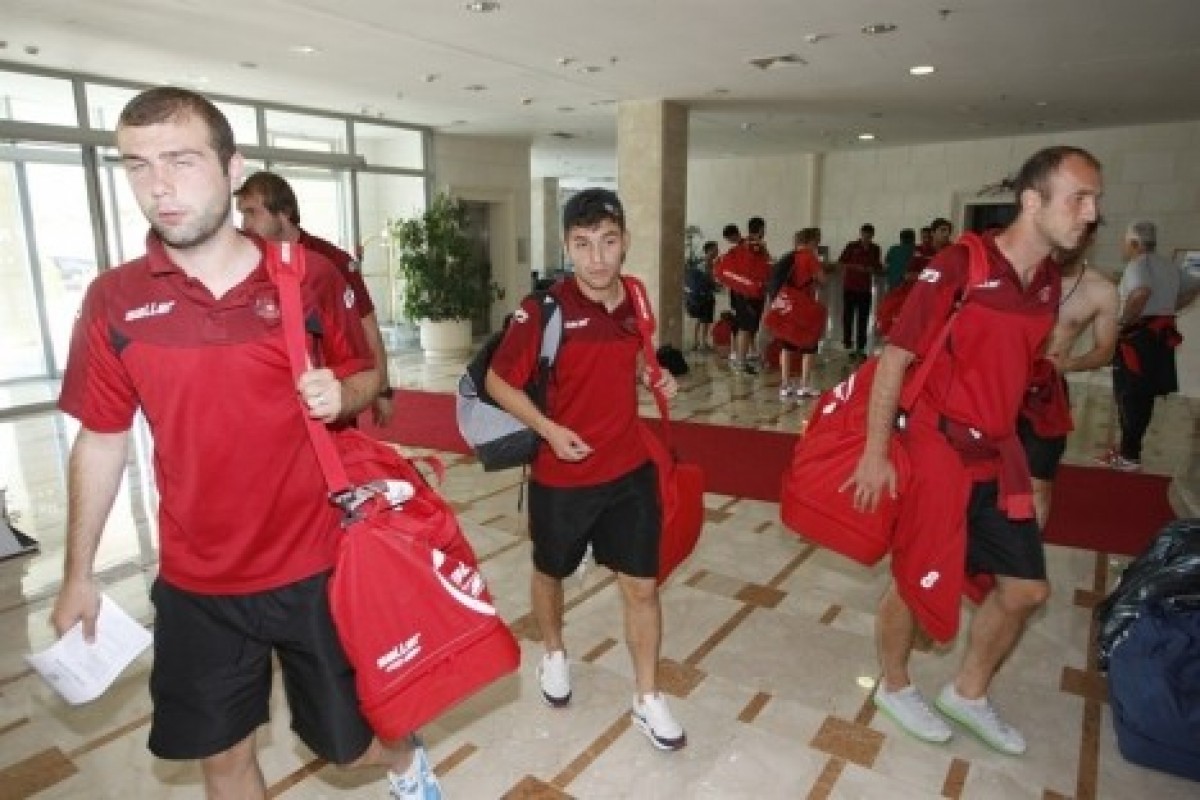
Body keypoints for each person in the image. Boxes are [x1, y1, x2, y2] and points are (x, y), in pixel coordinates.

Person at [49, 87, 440, 800]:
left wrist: (343, 393)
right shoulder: (114, 300)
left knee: (350, 745)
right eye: (137, 165)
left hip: (316, 563)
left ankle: (404, 761)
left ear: (233, 170)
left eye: (181, 160)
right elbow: (101, 439)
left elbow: (365, 373)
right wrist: (79, 574)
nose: (159, 186)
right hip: (198, 583)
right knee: (223, 762)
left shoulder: (307, 277)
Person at [847, 146, 1102, 756]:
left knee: (1026, 590)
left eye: (1095, 201)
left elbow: (1016, 368)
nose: (1091, 213)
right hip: (937, 447)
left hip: (998, 452)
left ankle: (967, 692)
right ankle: (894, 684)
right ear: (1033, 201)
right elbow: (895, 358)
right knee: (915, 579)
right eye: (1080, 199)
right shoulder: (960, 264)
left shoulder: (1047, 280)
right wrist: (876, 452)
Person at [484, 188, 687, 752]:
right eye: (583, 244)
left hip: (629, 470)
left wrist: (654, 376)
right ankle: (553, 652)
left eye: (608, 242)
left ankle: (647, 696)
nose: (597, 258)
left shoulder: (636, 296)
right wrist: (548, 429)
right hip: (562, 476)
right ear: (566, 247)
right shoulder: (544, 310)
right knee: (550, 570)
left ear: (625, 242)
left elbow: (638, 358)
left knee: (642, 587)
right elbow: (498, 380)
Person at [235, 170, 394, 426]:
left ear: (284, 212)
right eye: (242, 214)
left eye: (252, 213)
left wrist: (382, 389)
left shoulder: (331, 262)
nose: (245, 225)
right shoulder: (248, 263)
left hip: (328, 400)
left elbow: (368, 329)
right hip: (269, 406)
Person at [1019, 222, 1118, 525]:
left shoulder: (1101, 290)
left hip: (1045, 393)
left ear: (1091, 238)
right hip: (1000, 384)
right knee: (982, 475)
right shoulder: (1020, 273)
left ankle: (1030, 549)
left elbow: (1106, 350)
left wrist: (1068, 364)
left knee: (1038, 482)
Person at [1097, 220, 1200, 471]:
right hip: (1158, 339)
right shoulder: (1168, 265)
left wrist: (1123, 322)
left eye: (1125, 242)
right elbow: (1195, 286)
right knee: (1143, 396)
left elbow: (1141, 293)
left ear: (1134, 243)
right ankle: (1129, 450)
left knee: (1129, 395)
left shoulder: (1138, 264)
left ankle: (1129, 456)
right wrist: (1168, 308)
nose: (1124, 246)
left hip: (1138, 339)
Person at [774, 227, 826, 400]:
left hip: (787, 303)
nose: (818, 244)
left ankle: (785, 385)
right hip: (804, 305)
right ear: (811, 241)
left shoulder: (790, 256)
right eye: (817, 241)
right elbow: (822, 279)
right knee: (809, 345)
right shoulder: (810, 257)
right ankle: (804, 385)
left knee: (786, 345)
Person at [726, 216, 771, 374]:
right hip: (748, 293)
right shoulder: (753, 245)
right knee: (745, 327)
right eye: (764, 229)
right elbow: (766, 263)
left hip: (745, 292)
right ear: (761, 229)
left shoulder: (745, 245)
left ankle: (744, 357)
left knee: (748, 326)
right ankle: (741, 361)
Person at [836, 223, 883, 360]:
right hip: (850, 286)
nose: (866, 238)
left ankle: (860, 347)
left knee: (863, 318)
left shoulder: (875, 248)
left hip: (865, 288)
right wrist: (856, 267)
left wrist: (873, 269)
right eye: (864, 235)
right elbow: (841, 263)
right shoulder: (851, 246)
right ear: (861, 234)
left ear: (872, 236)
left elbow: (877, 266)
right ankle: (847, 344)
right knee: (848, 316)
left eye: (869, 236)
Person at [684, 240, 719, 350]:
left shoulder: (706, 263)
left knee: (702, 320)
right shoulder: (705, 264)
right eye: (715, 249)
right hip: (703, 296)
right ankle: (700, 342)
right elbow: (708, 280)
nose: (717, 251)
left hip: (702, 296)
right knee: (702, 320)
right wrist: (716, 284)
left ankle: (699, 342)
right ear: (709, 250)